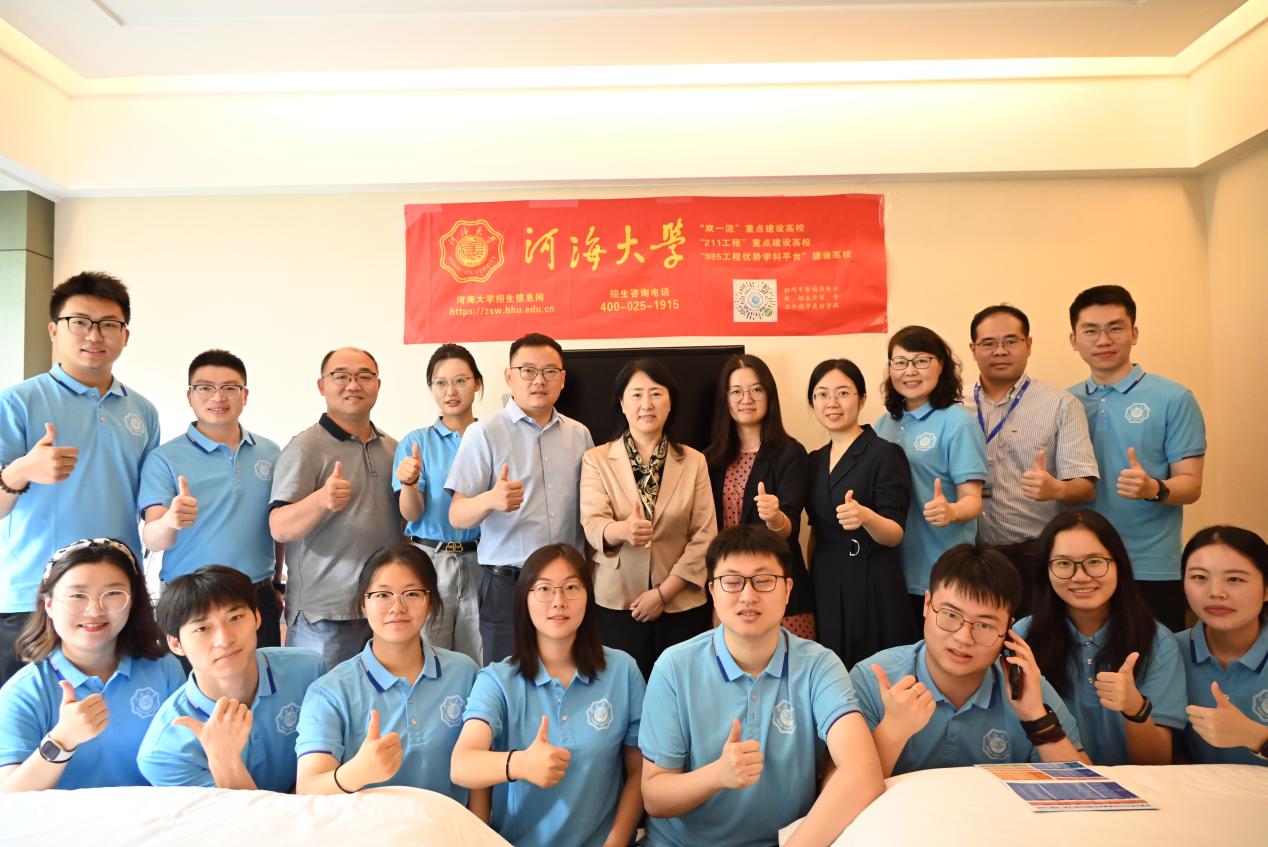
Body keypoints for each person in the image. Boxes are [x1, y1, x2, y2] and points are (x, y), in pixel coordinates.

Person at [639, 526, 885, 847]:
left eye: (764, 580)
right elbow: (655, 797)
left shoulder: (818, 665)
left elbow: (863, 772)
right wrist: (718, 775)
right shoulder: (674, 667)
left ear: (788, 590)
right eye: (732, 581)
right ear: (712, 590)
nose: (748, 596)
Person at [0, 272, 159, 684]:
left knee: (111, 710)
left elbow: (150, 507)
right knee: (27, 717)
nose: (94, 334)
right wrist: (21, 471)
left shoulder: (142, 412)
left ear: (125, 335)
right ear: (54, 330)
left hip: (116, 596)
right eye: (80, 322)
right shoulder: (17, 402)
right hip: (34, 595)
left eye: (108, 324)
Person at [452, 544, 643, 846]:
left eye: (571, 587)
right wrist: (520, 764)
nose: (558, 601)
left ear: (588, 595)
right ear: (524, 599)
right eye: (544, 589)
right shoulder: (497, 680)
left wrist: (616, 842)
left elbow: (639, 770)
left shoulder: (622, 670)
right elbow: (462, 764)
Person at [849, 544, 1086, 776]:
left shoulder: (1026, 687)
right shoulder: (872, 678)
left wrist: (1036, 717)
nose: (963, 638)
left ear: (1008, 628)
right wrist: (893, 731)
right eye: (951, 615)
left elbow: (1084, 788)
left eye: (985, 625)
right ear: (927, 605)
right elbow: (841, 790)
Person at [447, 333, 593, 665]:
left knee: (566, 673)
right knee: (507, 679)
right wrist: (490, 500)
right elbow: (457, 514)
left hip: (566, 586)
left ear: (562, 379)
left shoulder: (579, 434)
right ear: (510, 376)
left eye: (550, 372)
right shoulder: (484, 432)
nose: (539, 380)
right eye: (528, 370)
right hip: (507, 586)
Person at [296, 544, 482, 802]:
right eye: (383, 595)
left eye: (412, 594)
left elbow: (480, 774)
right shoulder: (329, 692)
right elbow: (308, 788)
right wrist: (356, 773)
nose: (397, 607)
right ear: (363, 604)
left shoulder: (465, 673)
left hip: (448, 825)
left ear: (430, 602)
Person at [1068, 285, 1206, 631]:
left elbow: (1191, 485)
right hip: (1079, 564)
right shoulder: (1064, 402)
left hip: (1150, 564)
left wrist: (1153, 488)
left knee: (1156, 658)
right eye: (1091, 330)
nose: (1103, 340)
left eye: (1115, 328)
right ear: (1074, 340)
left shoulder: (1174, 398)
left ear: (1134, 333)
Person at [0, 538, 181, 791]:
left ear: (132, 600)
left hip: (158, 813)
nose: (95, 611)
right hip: (65, 817)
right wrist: (62, 740)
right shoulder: (24, 691)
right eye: (77, 595)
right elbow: (7, 795)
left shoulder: (163, 668)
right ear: (49, 604)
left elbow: (184, 761)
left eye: (113, 594)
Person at [580, 358, 717, 678]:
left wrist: (663, 593)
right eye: (636, 394)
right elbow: (592, 522)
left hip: (681, 601)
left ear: (670, 402)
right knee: (621, 689)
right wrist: (623, 530)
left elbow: (705, 535)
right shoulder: (597, 459)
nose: (646, 404)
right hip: (618, 601)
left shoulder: (694, 461)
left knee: (682, 688)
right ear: (622, 403)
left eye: (656, 393)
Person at [139, 349, 284, 647]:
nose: (218, 398)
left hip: (257, 593)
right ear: (190, 396)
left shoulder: (271, 452)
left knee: (262, 674)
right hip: (191, 594)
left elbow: (278, 525)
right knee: (191, 677)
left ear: (245, 395)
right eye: (205, 388)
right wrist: (170, 521)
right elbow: (153, 539)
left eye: (230, 388)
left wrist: (277, 583)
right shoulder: (164, 458)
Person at [1017, 510, 1184, 765]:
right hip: (1050, 781)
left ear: (1119, 564)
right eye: (1063, 563)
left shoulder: (1158, 641)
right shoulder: (1023, 637)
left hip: (1133, 785)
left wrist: (1135, 708)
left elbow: (1157, 763)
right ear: (1046, 571)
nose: (1081, 576)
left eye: (1094, 561)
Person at [269, 347, 402, 668]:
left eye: (364, 376)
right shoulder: (305, 447)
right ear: (322, 385)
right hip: (323, 617)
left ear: (378, 385)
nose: (353, 385)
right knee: (321, 699)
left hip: (384, 610)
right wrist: (321, 500)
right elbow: (279, 527)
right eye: (341, 376)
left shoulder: (393, 448)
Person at [136, 566, 325, 790]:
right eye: (202, 628)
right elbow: (238, 814)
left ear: (257, 617)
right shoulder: (163, 754)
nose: (224, 639)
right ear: (176, 643)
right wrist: (224, 761)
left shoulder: (309, 671)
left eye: (235, 617)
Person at [966, 305, 1098, 614]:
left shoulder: (1061, 404)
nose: (1000, 351)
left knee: (1034, 638)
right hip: (969, 554)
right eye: (988, 343)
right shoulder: (953, 405)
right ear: (973, 349)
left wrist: (1057, 489)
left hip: (1032, 554)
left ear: (1028, 344)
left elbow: (1086, 487)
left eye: (1011, 341)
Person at [804, 358, 915, 668]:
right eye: (822, 394)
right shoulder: (814, 460)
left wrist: (866, 516)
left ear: (862, 399)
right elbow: (815, 530)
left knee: (875, 671)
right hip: (827, 578)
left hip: (871, 580)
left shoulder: (884, 453)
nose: (832, 403)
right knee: (832, 669)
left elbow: (894, 533)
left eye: (843, 393)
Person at [874, 325, 987, 620]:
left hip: (941, 572)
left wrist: (951, 511)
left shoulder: (958, 422)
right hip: (892, 569)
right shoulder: (883, 424)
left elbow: (973, 500)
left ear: (941, 365)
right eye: (900, 362)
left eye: (921, 361)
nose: (910, 371)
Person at [704, 354, 813, 639]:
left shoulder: (790, 453)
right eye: (736, 391)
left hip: (777, 588)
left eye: (756, 389)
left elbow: (789, 527)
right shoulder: (709, 460)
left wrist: (775, 517)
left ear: (769, 395)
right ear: (725, 398)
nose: (746, 399)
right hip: (728, 590)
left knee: (789, 665)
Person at [394, 344, 484, 664]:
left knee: (478, 658)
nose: (451, 391)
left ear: (477, 383)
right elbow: (411, 513)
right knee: (428, 657)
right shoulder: (415, 442)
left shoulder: (492, 437)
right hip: (430, 560)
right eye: (440, 383)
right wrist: (409, 483)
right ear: (431, 387)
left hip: (482, 561)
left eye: (460, 381)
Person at [1177, 525, 1268, 765]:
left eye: (1234, 579)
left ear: (1266, 589)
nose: (1216, 592)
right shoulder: (1169, 652)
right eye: (1199, 577)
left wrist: (1257, 737)